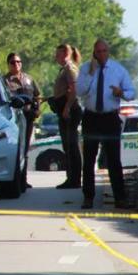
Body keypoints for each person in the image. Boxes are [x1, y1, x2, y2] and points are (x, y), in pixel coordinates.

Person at [76, 38, 136, 209]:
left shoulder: (118, 70)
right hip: (91, 117)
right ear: (94, 52)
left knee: (114, 160)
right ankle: (88, 197)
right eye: (98, 51)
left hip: (110, 118)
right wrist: (90, 73)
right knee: (88, 160)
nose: (101, 54)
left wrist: (121, 92)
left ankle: (120, 197)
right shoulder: (86, 69)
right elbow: (80, 91)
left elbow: (131, 92)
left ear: (108, 52)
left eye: (104, 51)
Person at [3, 52, 41, 189]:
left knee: (25, 148)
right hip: (14, 118)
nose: (16, 64)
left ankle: (24, 179)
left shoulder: (29, 79)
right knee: (16, 148)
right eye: (13, 62)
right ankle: (15, 179)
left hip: (28, 116)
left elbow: (37, 95)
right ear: (8, 64)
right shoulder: (5, 81)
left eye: (18, 62)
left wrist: (38, 109)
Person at [50, 43, 82, 189]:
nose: (56, 57)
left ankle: (74, 179)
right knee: (67, 145)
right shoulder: (63, 69)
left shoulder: (70, 68)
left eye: (58, 54)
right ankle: (71, 178)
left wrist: (67, 108)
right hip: (64, 109)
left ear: (65, 54)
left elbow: (74, 89)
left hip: (70, 110)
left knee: (71, 145)